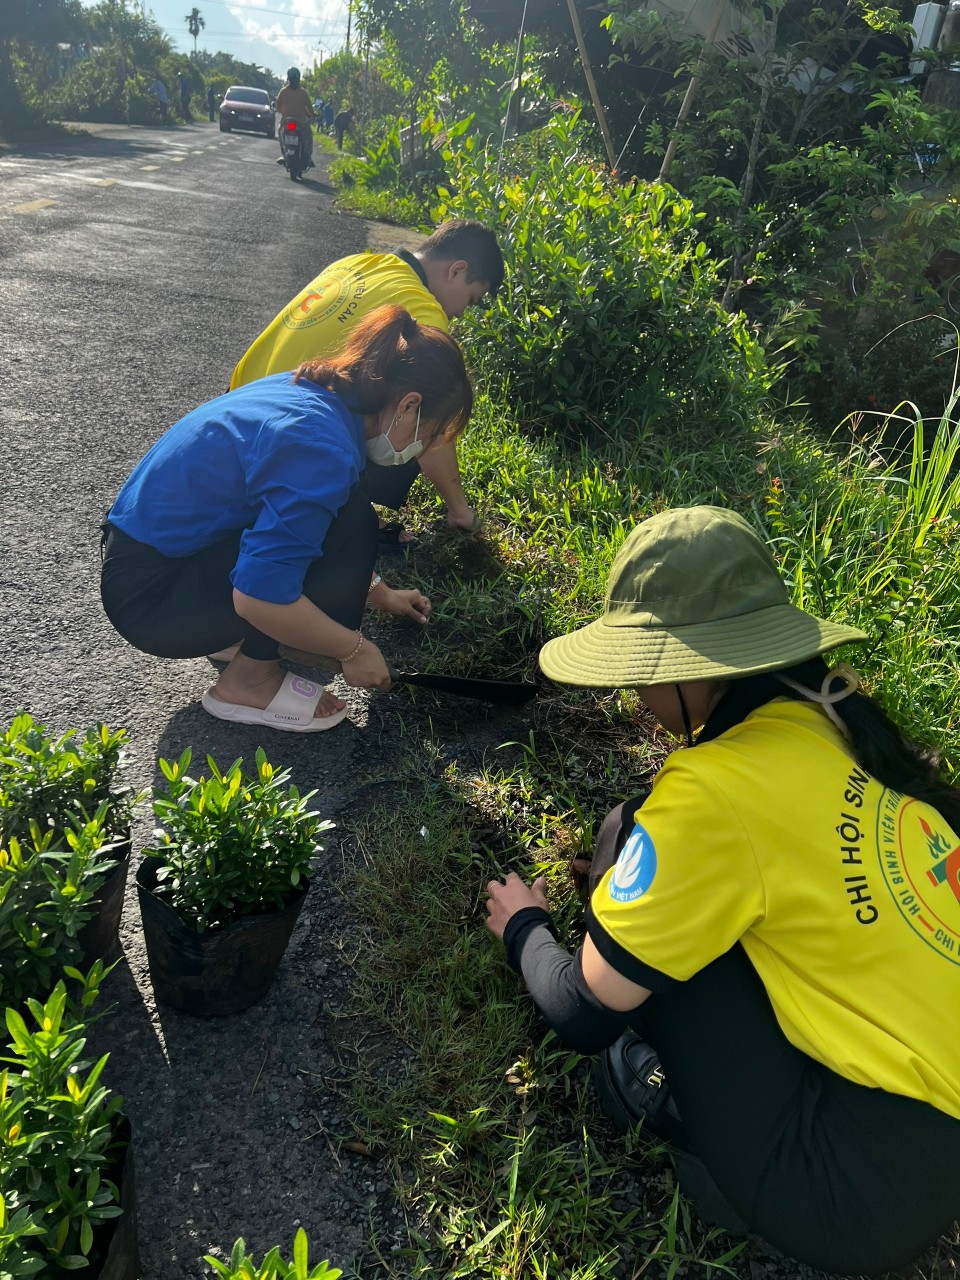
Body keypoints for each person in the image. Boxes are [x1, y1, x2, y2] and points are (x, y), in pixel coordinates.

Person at [485, 505, 960, 1275]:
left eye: (640, 673)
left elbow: (580, 1010)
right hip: (933, 1145)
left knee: (648, 914)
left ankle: (675, 1110)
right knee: (639, 839)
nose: (634, 693)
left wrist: (525, 927)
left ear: (683, 670)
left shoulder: (711, 791)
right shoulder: (834, 721)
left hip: (846, 1193)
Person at [100, 305, 472, 733]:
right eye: (427, 437)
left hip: (145, 559)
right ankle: (248, 681)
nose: (419, 450)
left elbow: (287, 520)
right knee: (349, 521)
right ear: (409, 406)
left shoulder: (316, 391)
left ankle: (235, 639)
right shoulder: (320, 449)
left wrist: (378, 592)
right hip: (154, 603)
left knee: (343, 515)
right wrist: (355, 650)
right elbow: (259, 596)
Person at [230, 220, 504, 551]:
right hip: (276, 444)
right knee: (415, 418)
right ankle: (344, 513)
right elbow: (433, 428)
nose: (461, 313)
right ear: (457, 271)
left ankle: (345, 505)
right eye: (472, 299)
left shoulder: (358, 262)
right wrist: (460, 509)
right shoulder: (424, 311)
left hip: (239, 404)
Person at [275, 66, 314, 168]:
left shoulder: (283, 91)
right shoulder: (303, 93)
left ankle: (283, 152)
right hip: (300, 122)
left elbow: (277, 106)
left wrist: (283, 112)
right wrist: (312, 116)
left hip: (286, 121)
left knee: (280, 131)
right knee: (308, 135)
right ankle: (309, 156)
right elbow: (310, 109)